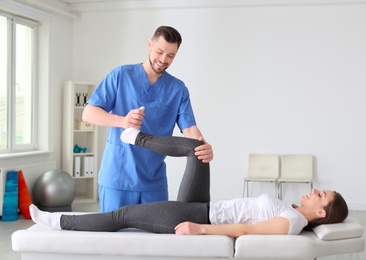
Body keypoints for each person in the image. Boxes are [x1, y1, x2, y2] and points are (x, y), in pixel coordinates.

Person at [30, 128, 349, 237]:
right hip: (204, 205)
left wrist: (200, 229)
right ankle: (135, 137)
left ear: (321, 212)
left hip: (197, 218)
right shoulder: (292, 211)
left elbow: (247, 231)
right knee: (198, 150)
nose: (314, 190)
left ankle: (58, 221)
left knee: (123, 216)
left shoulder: (291, 221)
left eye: (321, 194)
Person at [82, 26, 213, 212]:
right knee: (113, 239)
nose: (163, 60)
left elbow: (190, 130)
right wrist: (122, 121)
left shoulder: (177, 89)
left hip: (153, 181)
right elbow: (88, 113)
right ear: (149, 45)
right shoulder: (121, 75)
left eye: (171, 56)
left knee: (154, 240)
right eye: (160, 51)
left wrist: (202, 146)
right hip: (117, 176)